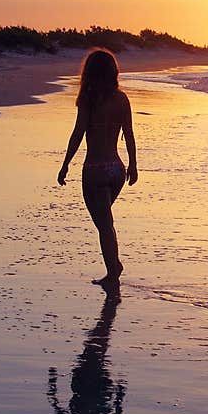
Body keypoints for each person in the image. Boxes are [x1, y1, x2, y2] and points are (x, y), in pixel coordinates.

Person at [57, 49, 137, 295]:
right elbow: (129, 135)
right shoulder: (122, 99)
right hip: (116, 170)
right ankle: (114, 267)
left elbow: (78, 133)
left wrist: (65, 164)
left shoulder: (89, 100)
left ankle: (113, 273)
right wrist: (133, 165)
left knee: (104, 225)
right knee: (106, 222)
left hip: (94, 170)